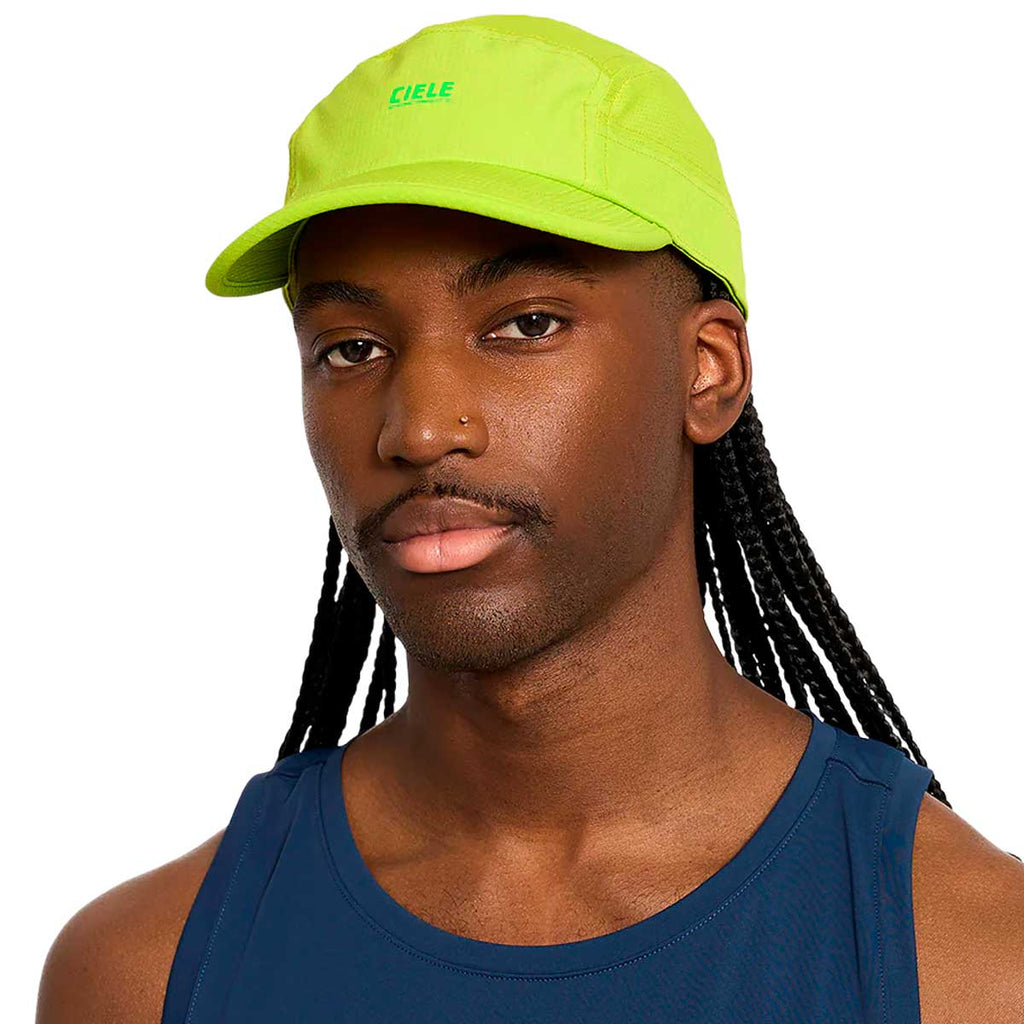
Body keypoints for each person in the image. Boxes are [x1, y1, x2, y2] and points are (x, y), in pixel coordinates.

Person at [36, 13, 1023, 1024]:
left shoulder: (974, 966)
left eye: (526, 324)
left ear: (707, 369)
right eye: (351, 348)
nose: (419, 429)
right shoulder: (142, 974)